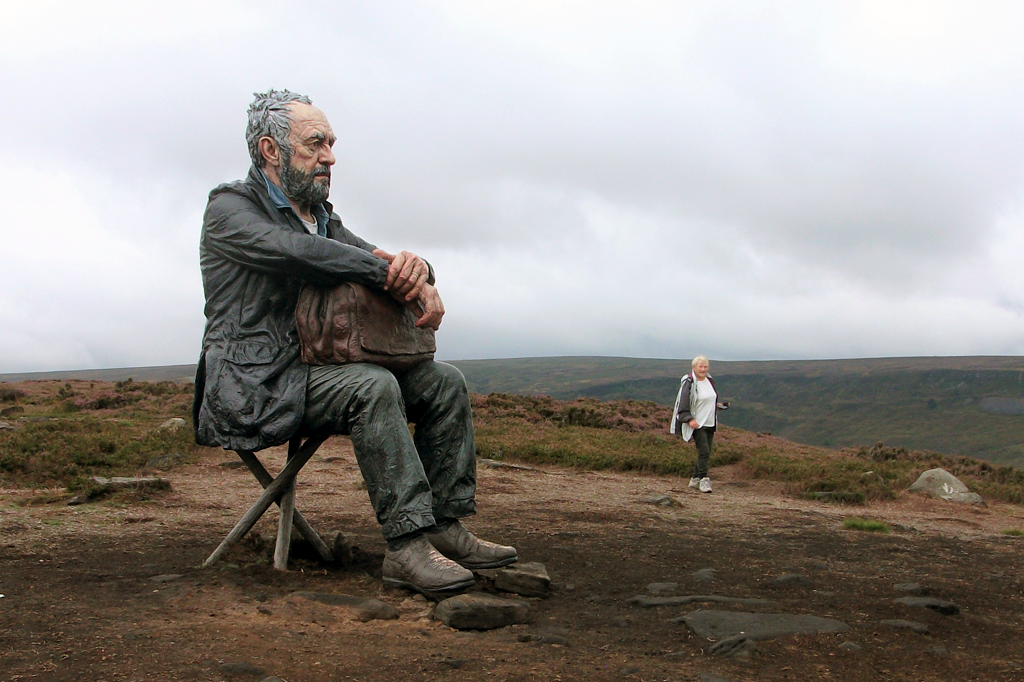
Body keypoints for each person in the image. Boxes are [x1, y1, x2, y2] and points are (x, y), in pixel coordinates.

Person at [192, 89, 517, 595]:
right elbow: (303, 254)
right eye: (315, 143)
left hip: (314, 370)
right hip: (255, 383)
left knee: (443, 382)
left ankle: (443, 526)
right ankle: (407, 547)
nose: (330, 156)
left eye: (331, 143)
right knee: (371, 385)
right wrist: (393, 273)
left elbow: (364, 255)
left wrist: (421, 273)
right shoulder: (230, 209)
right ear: (270, 151)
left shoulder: (323, 217)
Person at [670, 356, 728, 493]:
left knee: (706, 451)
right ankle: (703, 480)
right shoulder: (689, 382)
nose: (703, 369)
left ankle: (695, 479)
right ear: (694, 367)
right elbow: (683, 403)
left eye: (705, 366)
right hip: (697, 423)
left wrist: (717, 406)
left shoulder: (709, 381)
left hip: (710, 422)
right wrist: (689, 419)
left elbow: (708, 399)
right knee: (704, 451)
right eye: (700, 366)